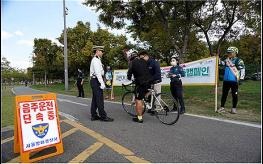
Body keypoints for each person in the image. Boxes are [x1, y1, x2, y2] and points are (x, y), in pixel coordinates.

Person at [127, 51, 153, 123]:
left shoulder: (133, 62)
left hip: (141, 83)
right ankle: (148, 104)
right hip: (149, 82)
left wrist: (129, 77)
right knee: (144, 94)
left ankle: (139, 118)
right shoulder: (145, 61)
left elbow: (129, 72)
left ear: (131, 58)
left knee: (138, 99)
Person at [217, 46, 245, 114]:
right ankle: (222, 107)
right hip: (226, 80)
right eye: (228, 52)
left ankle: (234, 108)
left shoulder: (239, 60)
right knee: (224, 94)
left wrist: (241, 79)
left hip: (234, 81)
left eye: (230, 52)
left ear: (235, 53)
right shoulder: (227, 60)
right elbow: (220, 63)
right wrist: (218, 57)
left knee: (234, 95)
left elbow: (242, 69)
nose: (229, 53)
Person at [89, 46, 114, 122]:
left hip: (95, 80)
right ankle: (103, 117)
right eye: (101, 51)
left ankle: (94, 115)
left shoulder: (97, 60)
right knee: (99, 99)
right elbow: (98, 73)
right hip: (96, 80)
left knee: (95, 99)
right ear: (97, 51)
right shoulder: (96, 60)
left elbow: (101, 72)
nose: (102, 53)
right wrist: (102, 83)